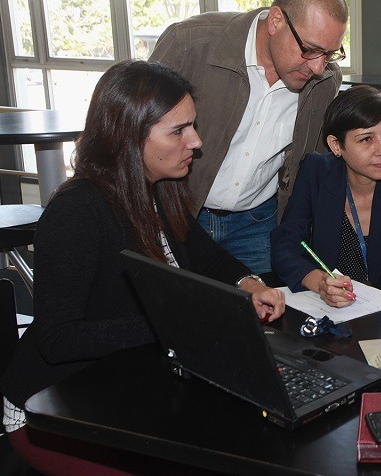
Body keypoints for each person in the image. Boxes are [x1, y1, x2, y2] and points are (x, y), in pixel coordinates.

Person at [0, 60, 285, 473]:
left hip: (119, 383)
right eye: (178, 131)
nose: (196, 141)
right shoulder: (77, 212)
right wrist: (173, 324)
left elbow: (208, 257)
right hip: (48, 411)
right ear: (129, 136)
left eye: (193, 125)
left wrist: (250, 283)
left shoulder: (159, 189)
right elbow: (58, 339)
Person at [148, 0, 348, 275]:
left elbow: (321, 156)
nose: (319, 67)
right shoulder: (189, 45)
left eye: (330, 54)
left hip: (257, 224)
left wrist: (375, 157)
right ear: (276, 21)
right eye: (310, 49)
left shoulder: (325, 81)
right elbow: (133, 128)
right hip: (180, 214)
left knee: (260, 304)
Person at [271, 86, 381, 306]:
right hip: (326, 309)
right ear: (336, 145)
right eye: (366, 139)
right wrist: (319, 282)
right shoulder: (316, 172)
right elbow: (285, 244)